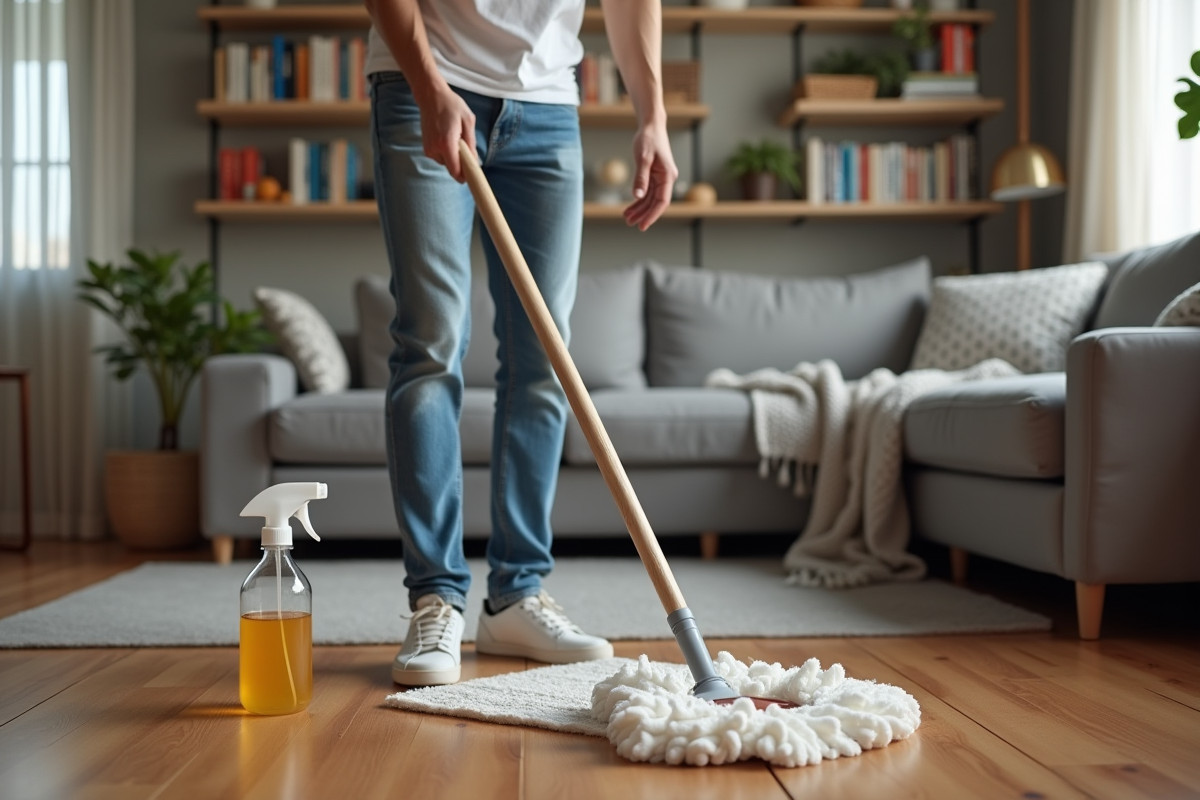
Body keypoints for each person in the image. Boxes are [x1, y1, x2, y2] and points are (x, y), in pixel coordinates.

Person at [364, 0, 677, 686]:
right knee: (432, 340)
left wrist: (651, 115)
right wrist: (428, 87)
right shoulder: (424, 85)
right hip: (426, 79)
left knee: (544, 357)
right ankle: (435, 598)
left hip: (546, 108)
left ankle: (515, 596)